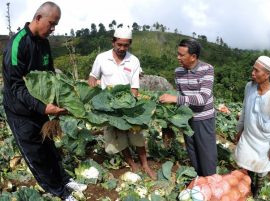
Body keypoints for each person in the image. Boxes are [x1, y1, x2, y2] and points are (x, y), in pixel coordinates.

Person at [2, 2, 86, 201]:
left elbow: (50, 78)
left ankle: (64, 180)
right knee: (36, 155)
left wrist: (55, 104)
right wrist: (42, 106)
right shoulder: (17, 44)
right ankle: (59, 192)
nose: (53, 28)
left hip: (41, 110)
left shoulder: (44, 43)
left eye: (56, 24)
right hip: (20, 111)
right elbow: (15, 86)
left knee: (49, 148)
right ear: (38, 18)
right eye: (51, 23)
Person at [88, 27, 156, 179]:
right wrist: (92, 85)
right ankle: (132, 163)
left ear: (129, 44)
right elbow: (93, 76)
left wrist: (129, 107)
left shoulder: (134, 61)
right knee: (119, 138)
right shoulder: (102, 58)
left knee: (137, 136)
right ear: (113, 42)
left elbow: (134, 87)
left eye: (125, 45)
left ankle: (145, 164)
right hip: (109, 106)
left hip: (129, 106)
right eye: (119, 44)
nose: (122, 48)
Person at [159, 39, 217, 176]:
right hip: (187, 118)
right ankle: (199, 182)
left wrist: (175, 99)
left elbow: (203, 98)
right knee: (192, 152)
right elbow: (181, 94)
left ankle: (210, 183)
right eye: (177, 54)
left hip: (204, 118)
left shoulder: (207, 69)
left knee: (207, 155)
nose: (178, 57)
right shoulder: (178, 72)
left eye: (181, 55)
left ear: (193, 57)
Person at [234, 56, 270, 198]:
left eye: (256, 71)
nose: (253, 73)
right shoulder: (249, 87)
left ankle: (257, 190)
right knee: (244, 162)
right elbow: (244, 110)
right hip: (248, 135)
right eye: (253, 69)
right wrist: (239, 129)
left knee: (261, 169)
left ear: (267, 74)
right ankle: (248, 186)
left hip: (264, 141)